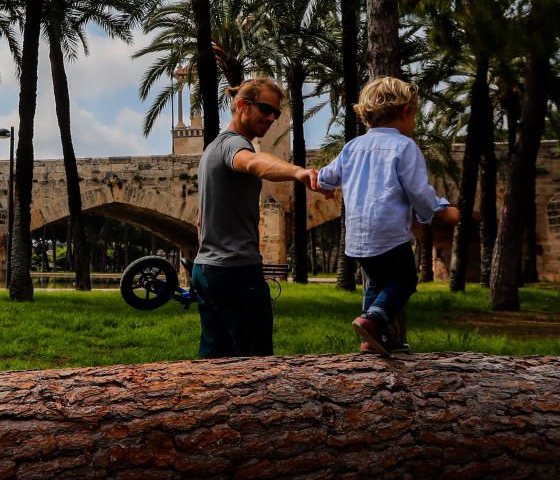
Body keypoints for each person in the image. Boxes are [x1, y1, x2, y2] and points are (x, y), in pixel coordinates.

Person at [318, 76, 460, 356]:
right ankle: (371, 321)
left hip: (357, 238)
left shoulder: (352, 147)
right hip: (389, 234)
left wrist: (323, 185)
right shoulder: (405, 147)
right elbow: (418, 192)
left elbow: (326, 177)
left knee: (377, 283)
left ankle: (373, 339)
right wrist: (440, 210)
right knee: (404, 280)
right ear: (407, 111)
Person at [192, 78, 329, 358]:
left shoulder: (211, 150)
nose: (271, 118)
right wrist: (298, 172)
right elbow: (254, 162)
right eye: (266, 109)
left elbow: (199, 219)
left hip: (207, 270)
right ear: (242, 105)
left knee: (215, 359)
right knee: (255, 363)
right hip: (236, 272)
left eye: (276, 113)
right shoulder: (235, 146)